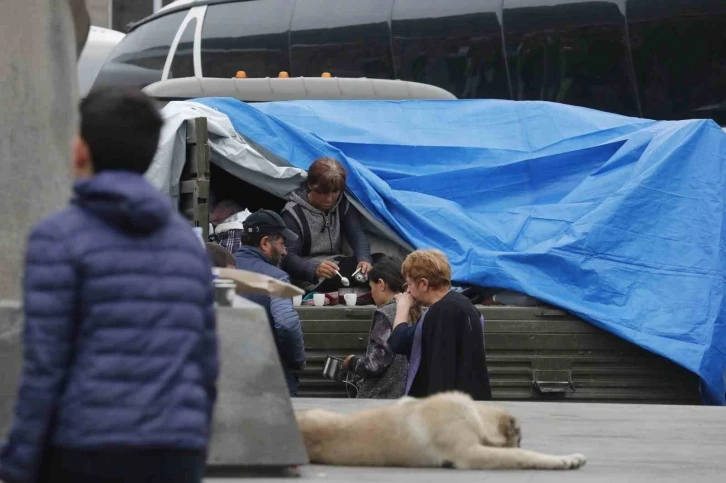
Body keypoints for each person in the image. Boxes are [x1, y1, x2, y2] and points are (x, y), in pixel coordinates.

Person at [0, 88, 218, 483]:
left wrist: (19, 463)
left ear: (80, 150)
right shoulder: (186, 243)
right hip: (175, 453)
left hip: (87, 449)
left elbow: (45, 366)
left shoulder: (58, 237)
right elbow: (205, 364)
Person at [388, 249, 492, 401]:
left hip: (447, 410)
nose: (408, 290)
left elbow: (398, 342)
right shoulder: (461, 303)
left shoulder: (440, 312)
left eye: (409, 284)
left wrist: (402, 307)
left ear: (423, 283)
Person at [235, 210, 307, 396]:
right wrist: (297, 360)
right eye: (282, 244)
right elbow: (287, 323)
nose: (284, 252)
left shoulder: (219, 270)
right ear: (265, 243)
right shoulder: (276, 278)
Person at [281, 157, 376, 293]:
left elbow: (356, 234)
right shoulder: (293, 213)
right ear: (310, 185)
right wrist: (314, 269)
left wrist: (364, 259)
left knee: (382, 264)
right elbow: (287, 257)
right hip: (312, 277)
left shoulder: (342, 204)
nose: (329, 198)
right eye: (323, 192)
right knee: (375, 274)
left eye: (334, 192)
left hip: (338, 263)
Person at [341, 257, 410, 399]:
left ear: (381, 284)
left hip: (384, 397)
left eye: (371, 287)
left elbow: (374, 364)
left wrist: (353, 362)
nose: (371, 294)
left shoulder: (386, 313)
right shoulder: (418, 308)